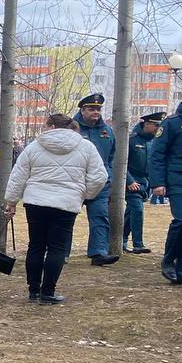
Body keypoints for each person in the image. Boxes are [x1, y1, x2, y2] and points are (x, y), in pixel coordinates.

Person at [2, 113, 108, 305]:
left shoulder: (34, 147)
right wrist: (84, 194)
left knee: (36, 245)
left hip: (35, 202)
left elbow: (18, 176)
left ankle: (34, 290)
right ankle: (48, 292)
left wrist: (11, 201)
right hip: (66, 202)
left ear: (50, 126)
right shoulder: (86, 147)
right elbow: (99, 176)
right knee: (57, 248)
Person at [73, 93, 118, 265]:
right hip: (76, 182)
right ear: (82, 110)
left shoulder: (107, 131)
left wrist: (108, 175)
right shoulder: (72, 128)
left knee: (100, 217)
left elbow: (111, 157)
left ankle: (98, 253)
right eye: (92, 109)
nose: (96, 112)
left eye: (98, 109)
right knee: (66, 219)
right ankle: (61, 253)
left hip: (100, 184)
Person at [149, 101, 182, 284]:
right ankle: (169, 260)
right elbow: (157, 154)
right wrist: (158, 182)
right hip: (177, 180)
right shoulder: (172, 123)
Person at [124, 111, 164, 255]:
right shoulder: (131, 140)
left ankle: (121, 240)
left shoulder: (156, 141)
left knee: (131, 212)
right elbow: (121, 163)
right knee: (137, 209)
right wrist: (129, 181)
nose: (158, 128)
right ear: (146, 124)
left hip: (146, 183)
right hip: (132, 182)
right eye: (156, 125)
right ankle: (138, 244)